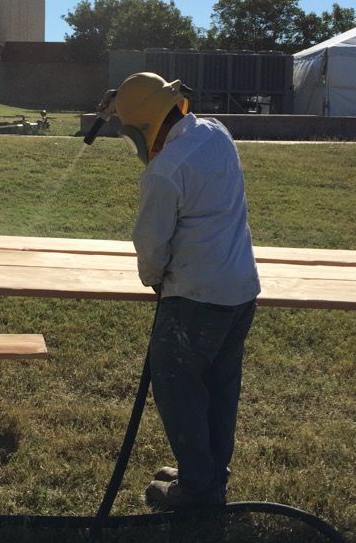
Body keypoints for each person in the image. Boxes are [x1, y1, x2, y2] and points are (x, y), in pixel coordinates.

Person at [110, 72, 260, 510]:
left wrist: (152, 276)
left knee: (179, 388)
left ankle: (197, 491)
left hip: (196, 300)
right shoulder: (216, 134)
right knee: (220, 386)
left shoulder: (164, 171)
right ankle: (210, 474)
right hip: (240, 291)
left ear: (145, 130)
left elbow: (151, 246)